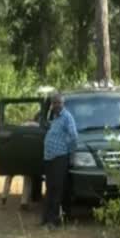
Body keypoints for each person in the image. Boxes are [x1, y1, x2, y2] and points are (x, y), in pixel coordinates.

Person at [41, 93, 78, 228]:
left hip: (60, 157)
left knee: (57, 189)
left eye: (58, 103)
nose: (56, 105)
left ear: (63, 103)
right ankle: (46, 219)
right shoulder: (55, 118)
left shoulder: (67, 117)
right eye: (54, 103)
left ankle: (54, 221)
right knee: (49, 188)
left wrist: (69, 153)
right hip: (49, 158)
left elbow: (74, 137)